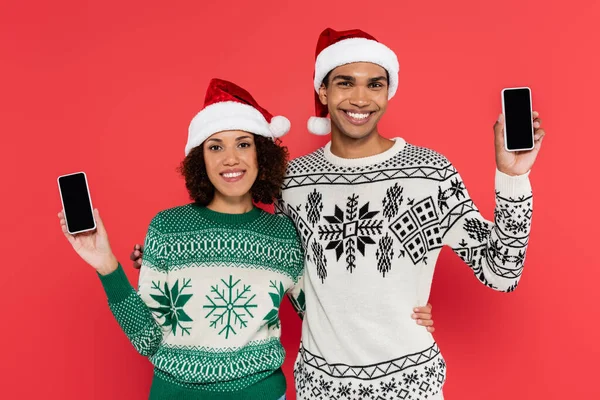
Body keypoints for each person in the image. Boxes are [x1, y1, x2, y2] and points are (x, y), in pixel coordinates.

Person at [272, 28, 545, 400]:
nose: (360, 98)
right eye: (345, 83)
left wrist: (513, 177)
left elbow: (502, 273)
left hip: (411, 385)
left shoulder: (429, 174)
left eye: (374, 85)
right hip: (321, 386)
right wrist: (342, 314)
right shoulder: (294, 182)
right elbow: (288, 277)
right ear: (323, 91)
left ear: (388, 91)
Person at [58, 78, 306, 400]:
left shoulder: (283, 234)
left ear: (262, 154)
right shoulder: (167, 227)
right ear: (199, 159)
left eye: (243, 144)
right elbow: (146, 339)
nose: (230, 159)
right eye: (215, 146)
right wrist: (106, 265)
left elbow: (321, 317)